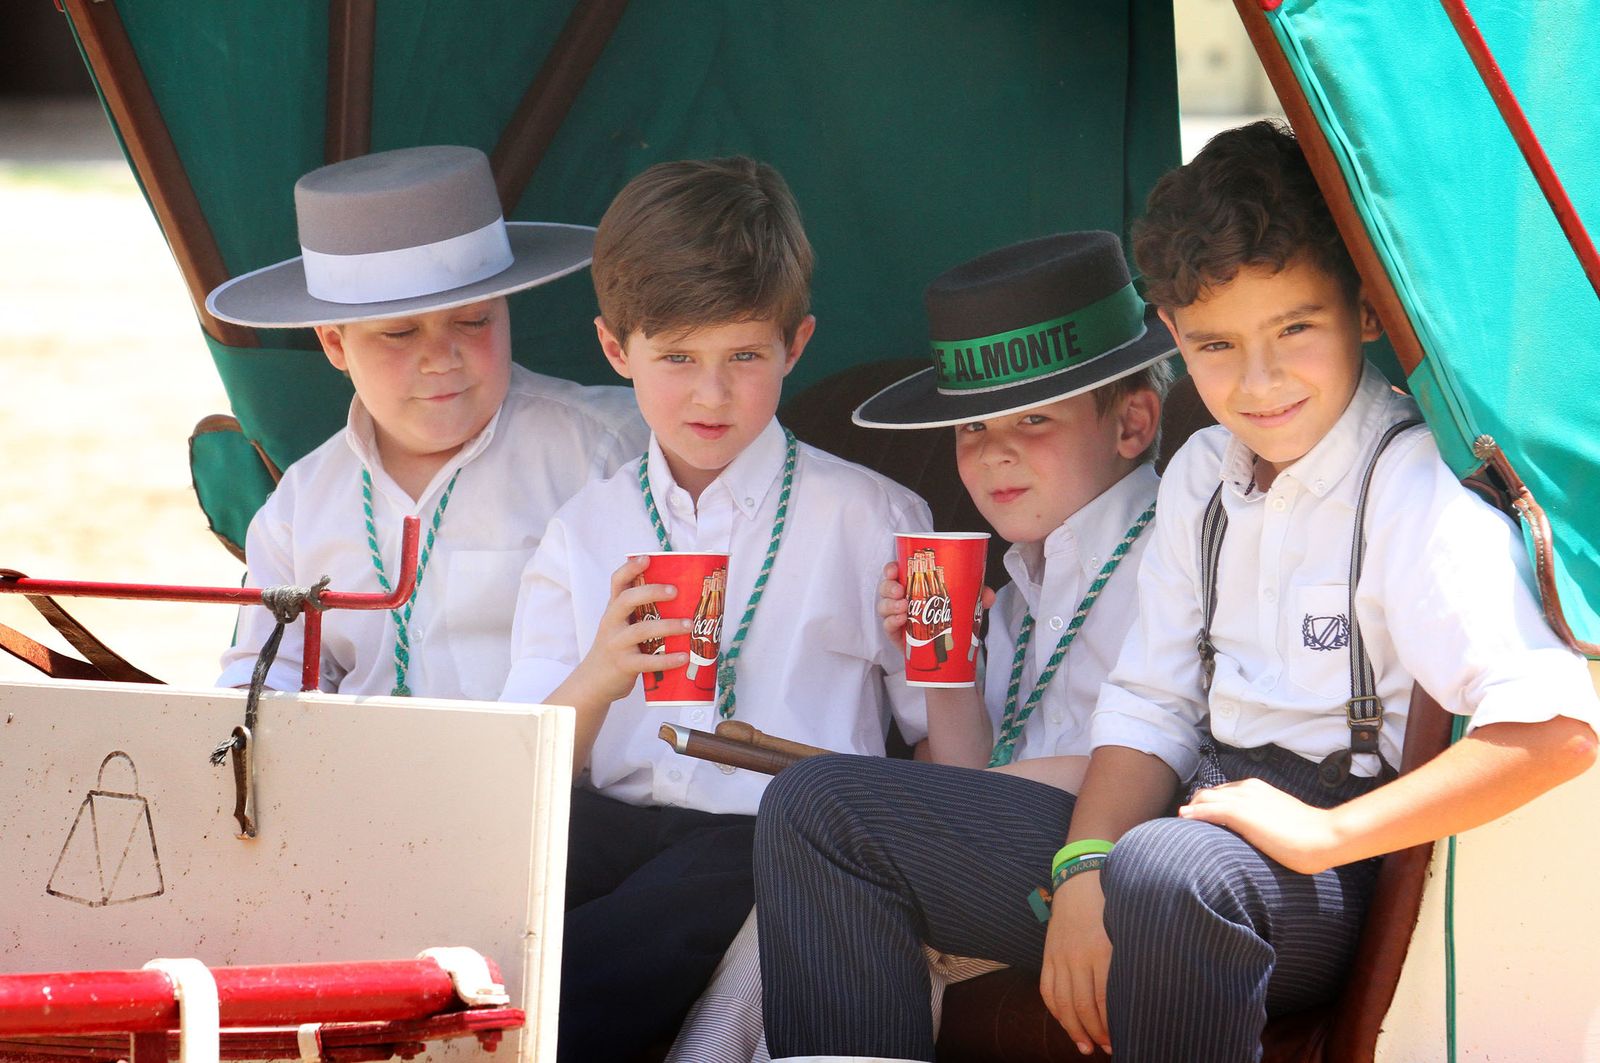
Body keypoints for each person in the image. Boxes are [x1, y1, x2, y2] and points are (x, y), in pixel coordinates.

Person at [753, 120, 1599, 1063]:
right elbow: (1151, 704)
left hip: (1317, 859)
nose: (1259, 380)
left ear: (1364, 310)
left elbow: (1555, 732)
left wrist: (1327, 832)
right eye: (1216, 345)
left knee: (1163, 866)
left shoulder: (1410, 486)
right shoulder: (1200, 474)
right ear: (1173, 339)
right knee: (819, 806)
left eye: (1294, 329)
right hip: (1189, 816)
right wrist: (1081, 866)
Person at [664, 230, 1176, 1063]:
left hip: (1124, 855)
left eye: (1034, 419)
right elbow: (964, 782)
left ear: (1132, 424)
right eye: (972, 427)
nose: (994, 451)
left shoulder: (1174, 552)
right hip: (1015, 854)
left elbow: (1157, 751)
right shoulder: (1013, 597)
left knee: (825, 815)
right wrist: (944, 669)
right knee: (812, 865)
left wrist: (892, 802)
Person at [498, 156, 932, 1061]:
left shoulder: (872, 517)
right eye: (677, 358)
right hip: (612, 823)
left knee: (666, 914)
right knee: (498, 878)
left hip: (773, 831)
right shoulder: (584, 530)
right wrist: (601, 674)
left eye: (744, 355)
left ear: (796, 345)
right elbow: (528, 769)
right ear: (617, 351)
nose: (710, 393)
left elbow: (938, 737)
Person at [209, 145, 646, 700]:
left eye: (472, 321)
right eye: (400, 333)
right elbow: (263, 676)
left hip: (559, 782)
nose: (442, 358)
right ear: (333, 343)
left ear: (506, 308)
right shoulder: (301, 506)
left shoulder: (607, 453)